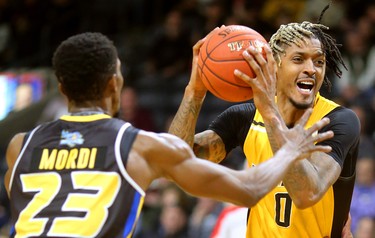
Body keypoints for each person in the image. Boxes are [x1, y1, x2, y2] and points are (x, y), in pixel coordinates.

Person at [3, 32, 334, 238]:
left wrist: (194, 89)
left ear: (61, 88)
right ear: (113, 84)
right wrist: (290, 151)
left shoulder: (20, 147)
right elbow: (248, 190)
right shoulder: (137, 145)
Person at [168, 7, 360, 238]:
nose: (311, 69)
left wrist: (270, 113)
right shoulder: (245, 117)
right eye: (298, 59)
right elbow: (175, 162)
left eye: (318, 61)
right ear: (274, 65)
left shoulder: (338, 121)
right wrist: (195, 93)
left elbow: (306, 194)